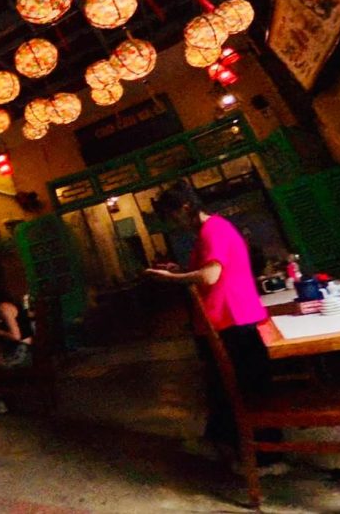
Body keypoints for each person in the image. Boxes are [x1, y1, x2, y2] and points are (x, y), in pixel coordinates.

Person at [142, 181, 285, 473]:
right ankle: (236, 448)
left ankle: (267, 457)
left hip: (232, 319)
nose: (173, 224)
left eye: (172, 216)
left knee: (246, 391)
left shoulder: (213, 230)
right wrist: (179, 271)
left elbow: (209, 276)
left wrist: (168, 279)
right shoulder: (209, 232)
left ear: (185, 208)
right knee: (229, 389)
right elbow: (207, 271)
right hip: (226, 319)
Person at [0, 286, 34, 372]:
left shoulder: (3, 307)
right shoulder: (12, 304)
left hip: (21, 354)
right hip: (27, 350)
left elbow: (16, 336)